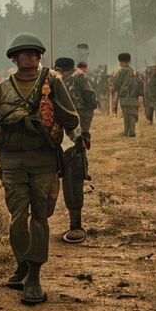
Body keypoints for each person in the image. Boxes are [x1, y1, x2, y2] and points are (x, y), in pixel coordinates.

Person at [0, 33, 79, 305]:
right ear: (14, 58)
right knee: (17, 219)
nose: (30, 58)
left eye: (35, 54)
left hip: (44, 159)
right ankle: (22, 263)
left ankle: (34, 275)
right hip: (11, 161)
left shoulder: (52, 82)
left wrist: (73, 134)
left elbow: (71, 117)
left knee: (40, 218)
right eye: (24, 54)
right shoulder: (0, 90)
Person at [54, 57, 95, 243]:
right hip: (50, 134)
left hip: (73, 134)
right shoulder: (48, 78)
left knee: (74, 178)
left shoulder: (78, 78)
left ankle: (75, 224)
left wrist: (84, 130)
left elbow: (89, 102)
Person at [111, 53, 143, 137]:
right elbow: (140, 83)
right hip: (134, 96)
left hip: (124, 96)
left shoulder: (120, 71)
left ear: (120, 61)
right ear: (129, 61)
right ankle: (131, 131)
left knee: (126, 114)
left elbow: (116, 83)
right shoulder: (134, 71)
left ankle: (127, 131)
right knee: (132, 113)